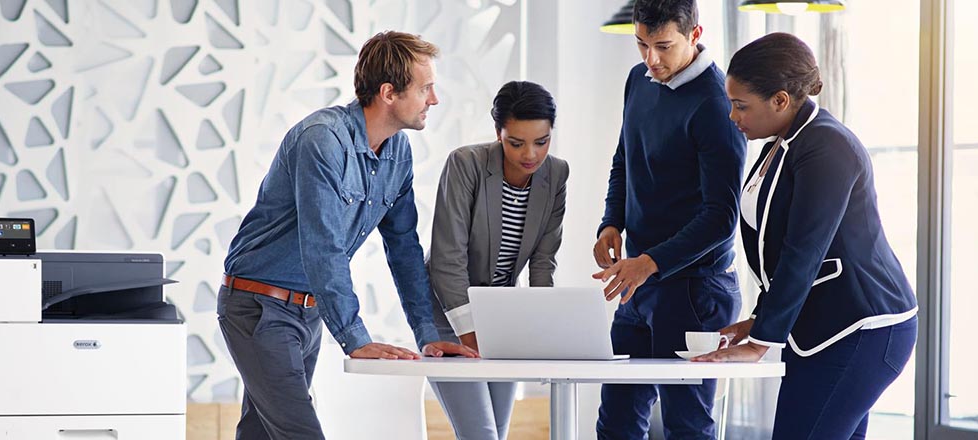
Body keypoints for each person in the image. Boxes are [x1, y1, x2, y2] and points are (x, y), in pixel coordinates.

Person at [217, 31, 476, 440]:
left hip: (310, 312)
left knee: (262, 434)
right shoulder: (322, 140)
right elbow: (324, 245)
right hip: (259, 307)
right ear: (389, 92)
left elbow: (405, 249)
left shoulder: (398, 152)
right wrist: (355, 337)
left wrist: (428, 335)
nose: (434, 99)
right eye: (426, 88)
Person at [693, 32, 919, 440]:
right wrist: (760, 320)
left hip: (861, 329)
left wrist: (761, 341)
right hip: (822, 328)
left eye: (741, 105)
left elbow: (804, 250)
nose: (732, 116)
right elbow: (775, 250)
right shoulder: (783, 142)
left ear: (780, 100)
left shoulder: (828, 146)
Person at [590, 0, 747, 438]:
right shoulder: (638, 79)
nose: (650, 60)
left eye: (663, 46)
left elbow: (721, 218)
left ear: (694, 35)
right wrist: (611, 222)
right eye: (641, 45)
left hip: (696, 290)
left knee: (686, 427)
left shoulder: (717, 104)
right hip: (638, 282)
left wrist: (650, 262)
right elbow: (625, 159)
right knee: (617, 421)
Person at [426, 81, 569, 440]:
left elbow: (542, 261)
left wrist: (541, 328)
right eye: (516, 142)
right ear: (498, 133)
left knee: (497, 433)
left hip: (502, 313)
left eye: (542, 141)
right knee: (481, 434)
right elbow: (447, 257)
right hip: (446, 311)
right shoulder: (466, 164)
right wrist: (470, 334)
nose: (530, 155)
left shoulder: (556, 174)